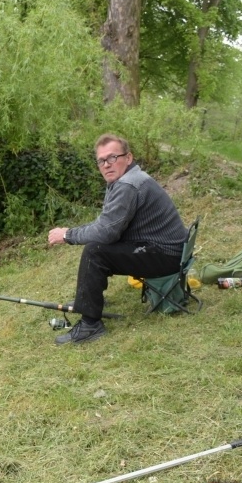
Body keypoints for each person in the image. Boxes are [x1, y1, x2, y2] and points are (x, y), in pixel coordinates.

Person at [47, 133, 188, 344]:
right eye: (101, 160)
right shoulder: (126, 179)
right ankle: (89, 301)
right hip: (169, 250)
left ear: (128, 158)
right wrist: (76, 231)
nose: (106, 164)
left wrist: (68, 235)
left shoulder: (127, 185)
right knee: (99, 246)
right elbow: (107, 223)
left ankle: (90, 325)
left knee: (95, 251)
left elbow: (106, 233)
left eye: (112, 158)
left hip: (166, 255)